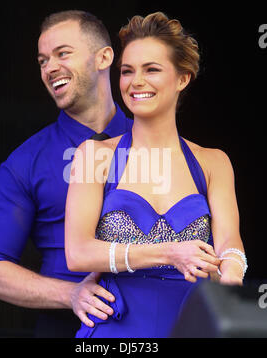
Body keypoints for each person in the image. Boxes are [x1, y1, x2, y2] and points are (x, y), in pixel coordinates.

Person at [65, 12, 247, 338]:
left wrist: (231, 277)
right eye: (127, 71)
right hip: (115, 329)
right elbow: (77, 253)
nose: (136, 81)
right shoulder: (95, 156)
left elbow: (230, 243)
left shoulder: (212, 162)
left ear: (183, 78)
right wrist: (170, 252)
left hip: (193, 324)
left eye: (152, 70)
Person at [0, 10, 133, 337]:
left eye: (63, 53)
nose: (49, 68)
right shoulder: (25, 162)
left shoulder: (162, 145)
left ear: (104, 57)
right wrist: (71, 294)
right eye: (43, 60)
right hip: (67, 329)